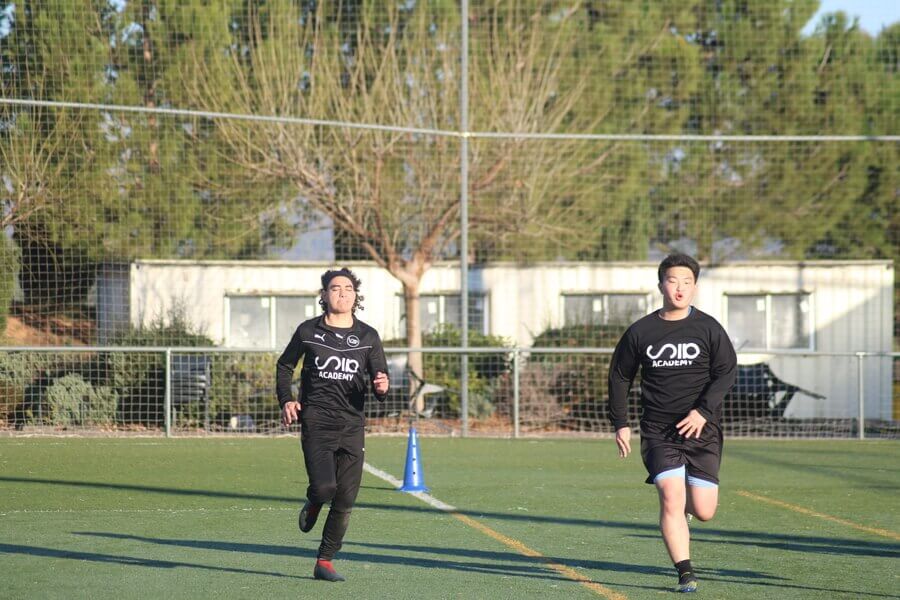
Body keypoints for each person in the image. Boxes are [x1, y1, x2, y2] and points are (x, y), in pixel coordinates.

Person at [607, 253, 736, 593]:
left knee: (705, 510)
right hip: (659, 430)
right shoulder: (641, 331)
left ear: (695, 286)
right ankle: (685, 572)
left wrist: (703, 411)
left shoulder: (708, 328)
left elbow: (726, 372)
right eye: (673, 281)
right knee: (670, 496)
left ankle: (687, 512)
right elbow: (620, 376)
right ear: (661, 284)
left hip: (702, 431)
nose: (679, 289)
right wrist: (620, 422)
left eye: (687, 282)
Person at [276, 267, 390, 582]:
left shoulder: (369, 336)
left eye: (348, 288)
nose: (342, 292)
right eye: (335, 288)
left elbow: (380, 377)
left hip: (352, 425)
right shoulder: (307, 331)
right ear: (324, 295)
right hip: (317, 421)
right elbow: (285, 365)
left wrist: (382, 386)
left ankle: (324, 561)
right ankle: (313, 501)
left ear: (356, 296)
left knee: (345, 499)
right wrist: (287, 400)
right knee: (325, 487)